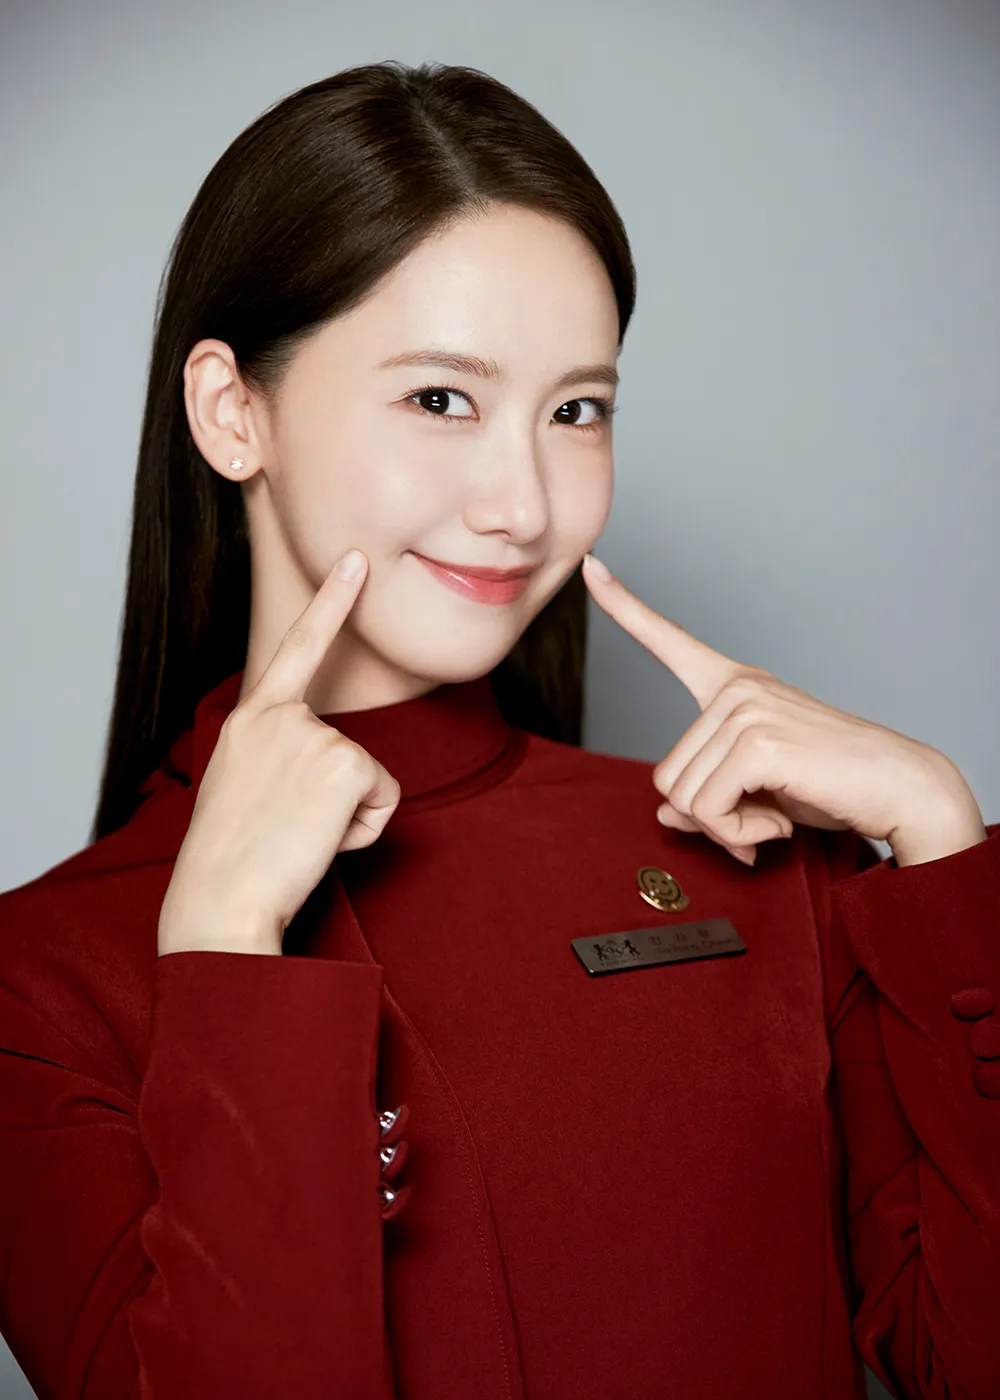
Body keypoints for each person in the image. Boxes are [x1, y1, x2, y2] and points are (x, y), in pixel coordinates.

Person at [0, 58, 997, 1400]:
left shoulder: (752, 857)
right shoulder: (43, 982)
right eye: (440, 399)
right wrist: (227, 952)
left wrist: (941, 843)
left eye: (576, 411)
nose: (524, 506)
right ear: (234, 412)